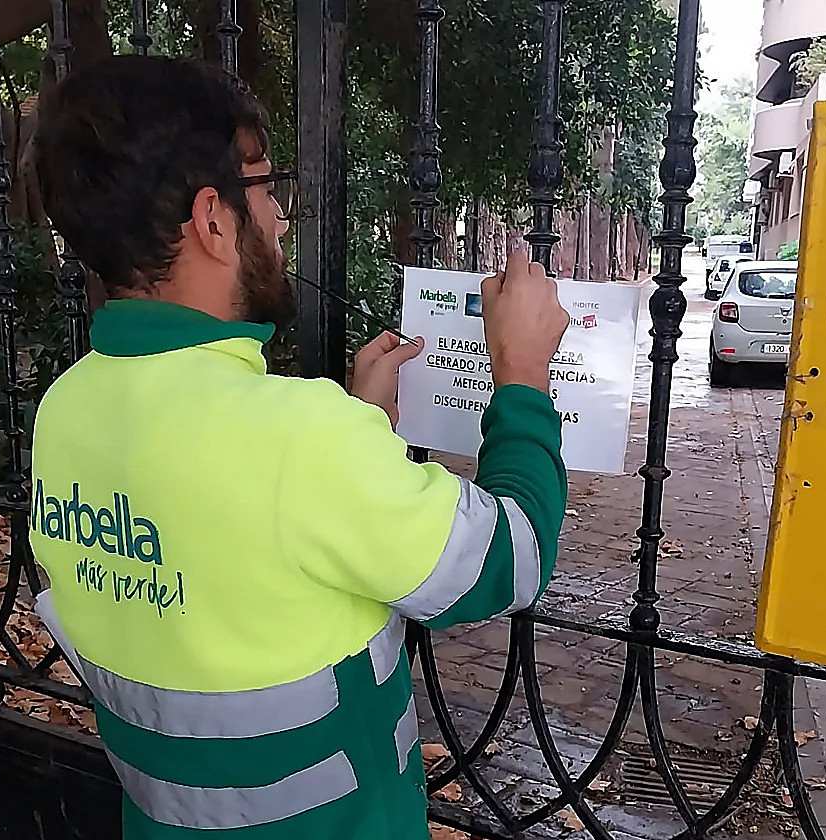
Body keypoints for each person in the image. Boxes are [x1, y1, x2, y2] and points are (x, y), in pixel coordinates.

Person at [28, 54, 570, 840]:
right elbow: (510, 560)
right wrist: (521, 375)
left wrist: (359, 427)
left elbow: (230, 542)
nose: (280, 217)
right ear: (214, 220)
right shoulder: (300, 439)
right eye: (264, 188)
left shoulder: (65, 409)